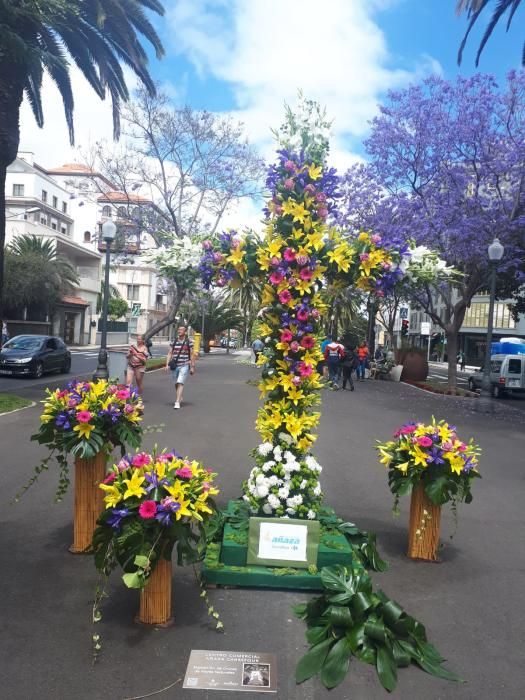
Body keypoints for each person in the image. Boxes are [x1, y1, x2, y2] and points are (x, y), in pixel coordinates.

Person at [165, 325, 195, 409]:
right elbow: (170, 353)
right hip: (175, 365)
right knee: (176, 383)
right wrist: (167, 364)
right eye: (178, 330)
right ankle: (180, 396)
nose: (179, 331)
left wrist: (192, 366)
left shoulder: (189, 341)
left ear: (185, 332)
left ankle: (177, 401)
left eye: (181, 330)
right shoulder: (174, 341)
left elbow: (192, 354)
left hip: (184, 365)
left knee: (180, 382)